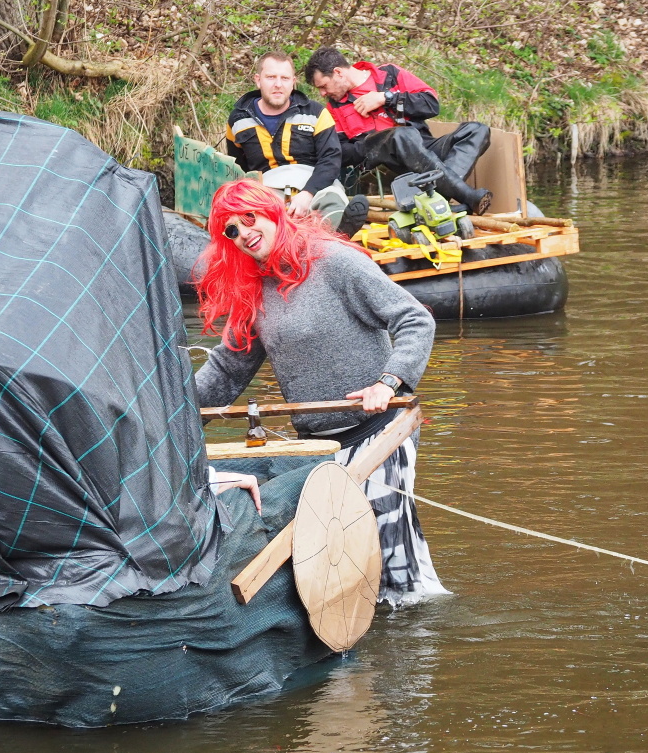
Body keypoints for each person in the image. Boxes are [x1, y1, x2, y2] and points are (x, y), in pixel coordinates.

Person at [194, 178, 447, 606]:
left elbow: (414, 319)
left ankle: (419, 634)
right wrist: (172, 409)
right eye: (231, 230)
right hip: (316, 446)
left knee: (391, 564)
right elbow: (226, 370)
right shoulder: (253, 289)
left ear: (272, 211)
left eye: (250, 217)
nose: (244, 232)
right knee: (341, 565)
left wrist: (389, 382)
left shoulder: (333, 260)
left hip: (379, 433)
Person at [303, 46, 494, 215]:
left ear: (338, 72)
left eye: (323, 86)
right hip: (383, 164)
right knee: (401, 135)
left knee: (476, 130)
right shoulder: (333, 109)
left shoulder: (389, 74)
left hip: (424, 150)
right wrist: (375, 142)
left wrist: (387, 98)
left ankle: (439, 197)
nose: (322, 93)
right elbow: (340, 152)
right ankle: (466, 196)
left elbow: (431, 105)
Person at [226, 51, 369, 235]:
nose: (278, 84)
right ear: (258, 80)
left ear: (293, 82)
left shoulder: (316, 113)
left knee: (331, 200)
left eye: (285, 78)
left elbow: (331, 159)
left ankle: (339, 231)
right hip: (268, 188)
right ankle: (285, 233)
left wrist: (307, 194)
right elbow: (238, 167)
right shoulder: (238, 120)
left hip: (315, 183)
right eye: (271, 77)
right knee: (261, 211)